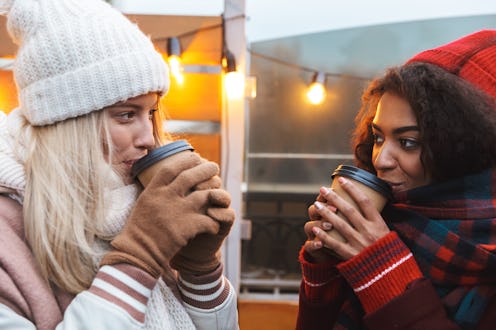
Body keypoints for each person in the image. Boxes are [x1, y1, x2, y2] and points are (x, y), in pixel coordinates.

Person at [0, 0, 238, 329]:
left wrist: (201, 271)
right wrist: (139, 256)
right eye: (126, 114)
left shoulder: (137, 206)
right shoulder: (8, 235)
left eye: (151, 112)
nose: (149, 139)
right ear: (69, 122)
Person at [297, 29, 496, 329]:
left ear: (465, 151)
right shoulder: (385, 224)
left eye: (408, 143)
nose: (381, 160)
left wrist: (382, 271)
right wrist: (326, 269)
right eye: (378, 137)